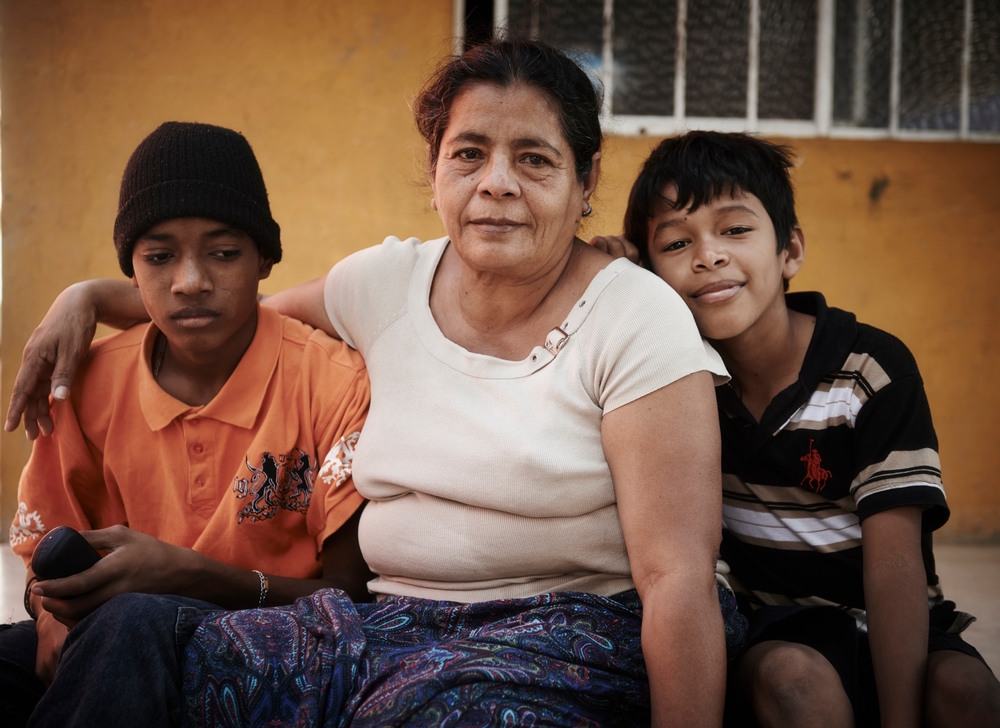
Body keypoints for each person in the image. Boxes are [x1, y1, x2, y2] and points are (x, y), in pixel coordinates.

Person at [5, 41, 746, 727]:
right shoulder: (386, 283)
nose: (497, 183)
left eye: (534, 159)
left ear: (584, 182)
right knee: (143, 643)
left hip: (574, 629)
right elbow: (226, 305)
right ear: (434, 175)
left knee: (424, 712)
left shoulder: (634, 319)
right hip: (384, 630)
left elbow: (675, 579)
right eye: (469, 153)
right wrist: (90, 299)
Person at [594, 130, 1000, 727]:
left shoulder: (870, 371)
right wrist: (614, 280)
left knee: (968, 692)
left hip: (894, 618)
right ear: (652, 273)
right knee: (795, 683)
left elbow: (893, 565)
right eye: (677, 242)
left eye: (736, 230)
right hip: (778, 632)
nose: (709, 255)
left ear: (790, 250)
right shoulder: (676, 383)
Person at [1, 121, 372, 727]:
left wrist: (189, 576)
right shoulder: (88, 383)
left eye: (224, 253)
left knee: (134, 618)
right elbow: (45, 555)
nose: (191, 281)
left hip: (276, 646)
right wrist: (47, 619)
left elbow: (352, 597)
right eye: (159, 256)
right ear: (132, 269)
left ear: (265, 259)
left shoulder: (332, 382)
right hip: (112, 643)